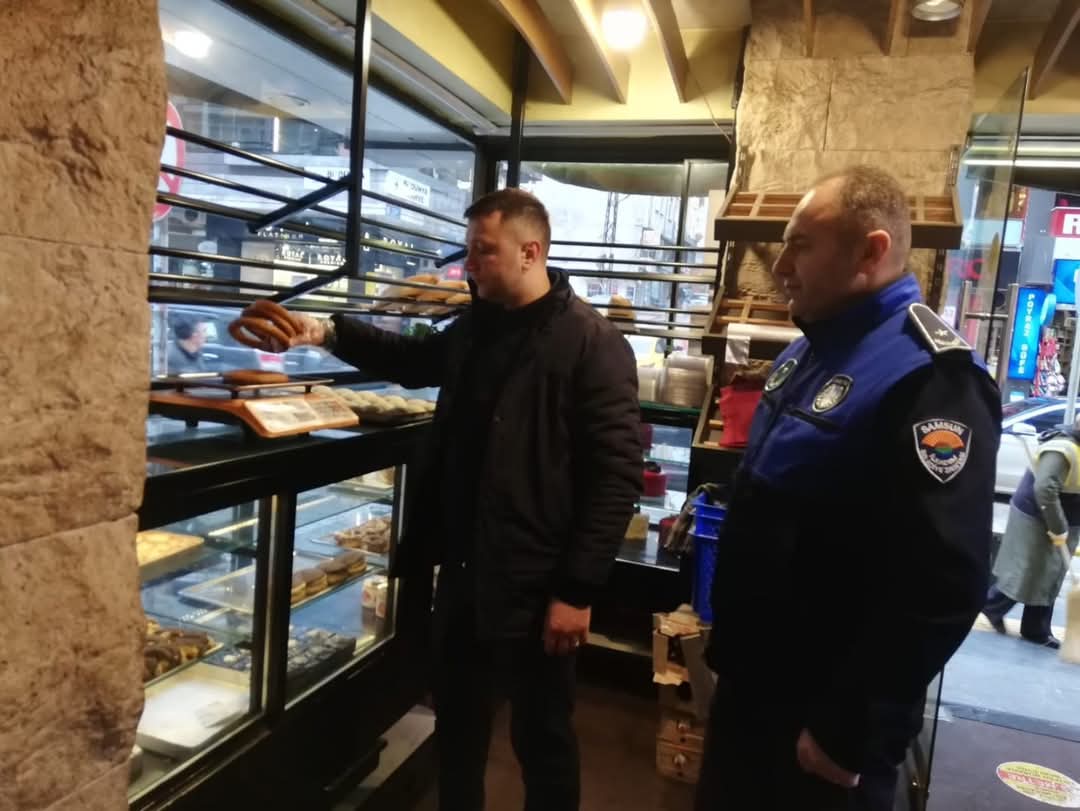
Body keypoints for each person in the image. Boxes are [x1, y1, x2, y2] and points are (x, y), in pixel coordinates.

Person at [244, 188, 642, 811]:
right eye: (469, 250)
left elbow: (616, 475)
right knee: (457, 731)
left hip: (536, 581)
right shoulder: (478, 325)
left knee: (543, 738)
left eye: (484, 251)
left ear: (531, 251)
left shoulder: (593, 343)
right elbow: (410, 359)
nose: (469, 264)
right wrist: (320, 331)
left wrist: (577, 590)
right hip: (462, 572)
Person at [694, 167, 1001, 811]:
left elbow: (942, 583)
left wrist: (849, 730)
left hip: (819, 722)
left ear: (870, 252)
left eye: (801, 245)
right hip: (756, 691)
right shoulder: (808, 352)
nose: (781, 266)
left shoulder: (931, 379)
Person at [983, 421, 1080, 649]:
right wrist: (1058, 526)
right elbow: (1044, 489)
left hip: (1065, 515)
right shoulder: (1062, 449)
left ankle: (1034, 627)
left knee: (1050, 573)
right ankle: (993, 606)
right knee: (1030, 570)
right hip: (1038, 516)